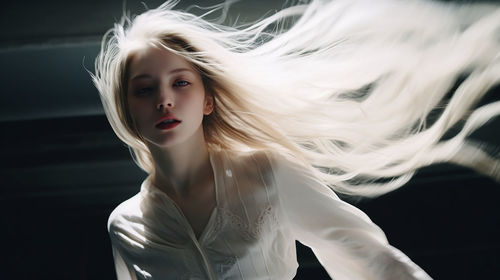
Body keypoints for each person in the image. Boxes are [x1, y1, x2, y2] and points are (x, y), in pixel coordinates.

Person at [91, 0, 500, 279]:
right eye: (144, 90)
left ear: (208, 99)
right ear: (128, 109)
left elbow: (370, 259)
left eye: (180, 83)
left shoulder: (267, 174)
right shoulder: (125, 226)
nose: (164, 100)